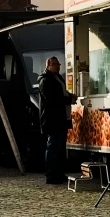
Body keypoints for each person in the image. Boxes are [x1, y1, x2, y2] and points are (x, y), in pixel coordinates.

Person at [38, 55, 75, 185]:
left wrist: (70, 96)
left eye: (58, 64)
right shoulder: (45, 80)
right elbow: (52, 99)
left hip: (61, 117)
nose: (58, 66)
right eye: (55, 64)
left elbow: (62, 93)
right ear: (48, 66)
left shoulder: (58, 78)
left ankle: (59, 173)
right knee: (53, 146)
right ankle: (51, 174)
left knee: (59, 147)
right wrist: (68, 100)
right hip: (52, 119)